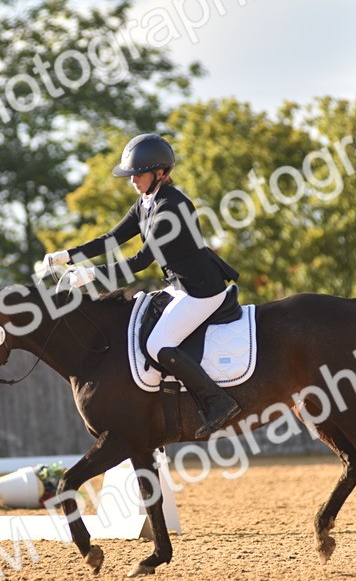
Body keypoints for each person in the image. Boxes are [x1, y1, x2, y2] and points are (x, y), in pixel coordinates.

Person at [43, 133, 242, 437]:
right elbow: (111, 239)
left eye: (138, 174)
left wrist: (91, 274)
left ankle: (217, 402)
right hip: (179, 285)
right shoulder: (145, 202)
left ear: (160, 173)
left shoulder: (171, 207)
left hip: (202, 290)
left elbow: (140, 261)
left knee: (157, 344)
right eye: (131, 175)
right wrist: (68, 255)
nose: (133, 181)